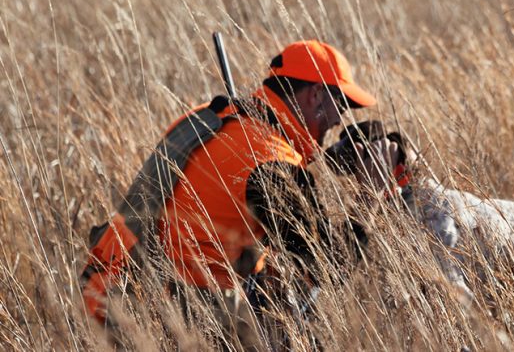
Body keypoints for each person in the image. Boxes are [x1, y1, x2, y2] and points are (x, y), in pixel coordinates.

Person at [79, 40, 400, 348]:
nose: (341, 118)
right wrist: (369, 195)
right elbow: (329, 266)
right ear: (316, 95)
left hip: (111, 286)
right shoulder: (271, 163)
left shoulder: (211, 116)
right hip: (171, 315)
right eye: (340, 105)